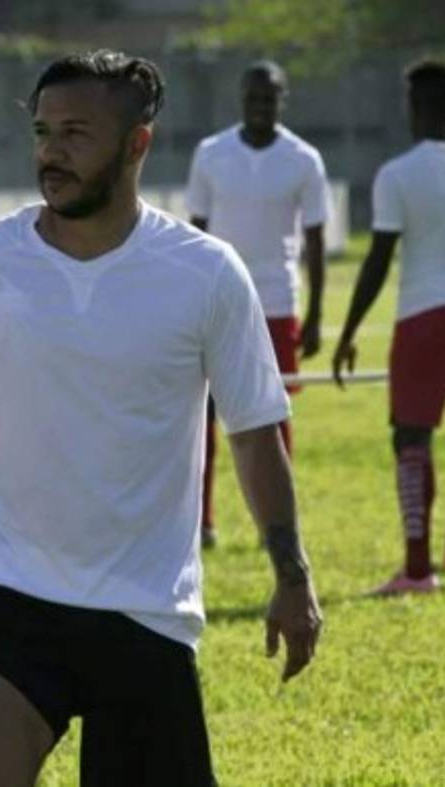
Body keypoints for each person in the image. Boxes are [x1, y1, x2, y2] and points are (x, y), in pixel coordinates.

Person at [0, 50, 323, 786]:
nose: (51, 152)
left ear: (137, 144)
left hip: (146, 612)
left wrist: (292, 575)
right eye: (43, 132)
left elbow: (256, 438)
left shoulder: (206, 272)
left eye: (76, 133)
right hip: (12, 600)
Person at [331, 60, 445, 593]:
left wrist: (349, 332)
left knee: (411, 437)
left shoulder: (397, 175)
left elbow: (378, 260)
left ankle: (418, 570)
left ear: (412, 109)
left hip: (424, 315)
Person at [185, 59, 332, 549]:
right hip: (218, 302)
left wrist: (315, 314)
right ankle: (201, 520)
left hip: (277, 301)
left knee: (272, 414)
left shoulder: (303, 159)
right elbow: (197, 233)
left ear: (282, 100)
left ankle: (276, 525)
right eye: (253, 98)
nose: (261, 106)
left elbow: (315, 239)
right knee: (202, 415)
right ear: (241, 100)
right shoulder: (211, 154)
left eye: (269, 98)